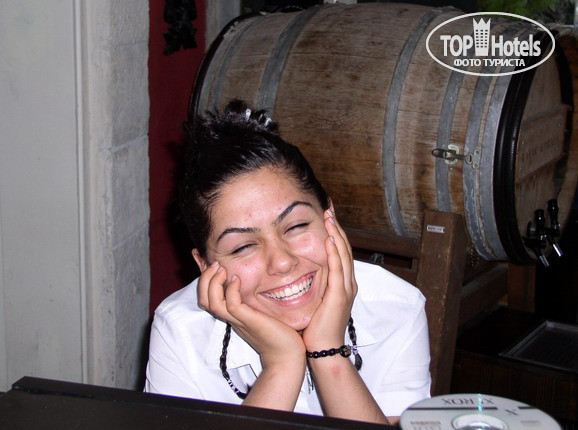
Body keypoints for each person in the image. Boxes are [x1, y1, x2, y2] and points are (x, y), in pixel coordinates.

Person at [144, 100, 431, 425]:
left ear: (329, 217)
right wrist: (282, 363)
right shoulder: (181, 330)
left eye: (296, 226)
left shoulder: (396, 307)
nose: (281, 262)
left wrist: (328, 352)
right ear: (205, 265)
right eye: (242, 247)